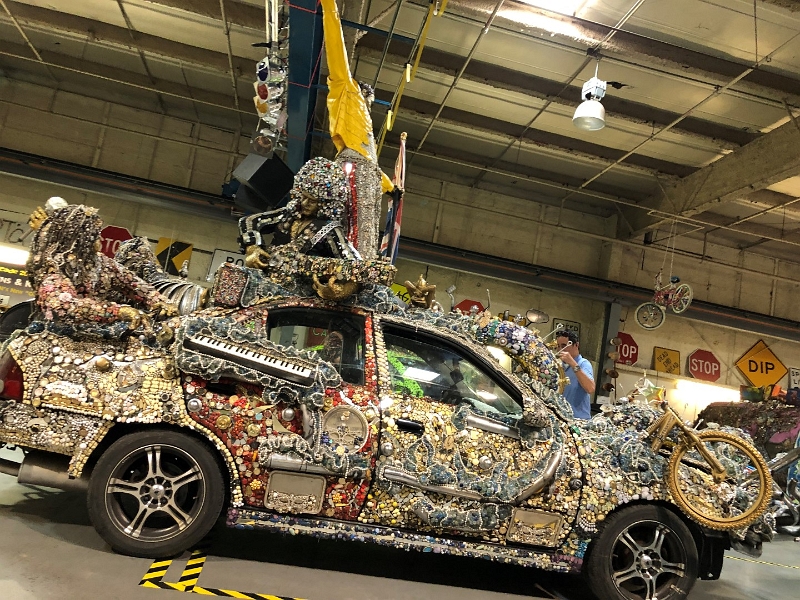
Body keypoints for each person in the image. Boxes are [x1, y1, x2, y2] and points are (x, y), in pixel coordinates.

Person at [27, 203, 177, 334]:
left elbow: (134, 285)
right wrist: (118, 312)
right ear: (77, 237)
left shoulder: (103, 263)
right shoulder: (53, 265)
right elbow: (62, 307)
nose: (100, 237)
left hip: (95, 334)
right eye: (93, 234)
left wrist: (160, 301)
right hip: (55, 335)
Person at [555, 330, 595, 420]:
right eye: (558, 346)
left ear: (576, 345)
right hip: (562, 418)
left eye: (564, 346)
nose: (560, 349)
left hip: (578, 420)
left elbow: (590, 388)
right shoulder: (560, 366)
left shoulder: (583, 364)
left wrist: (573, 364)